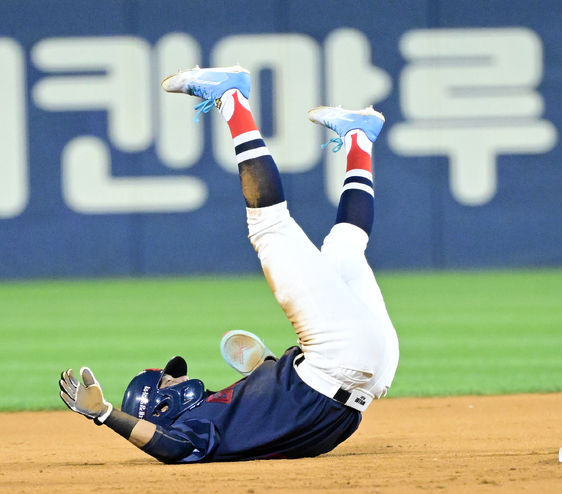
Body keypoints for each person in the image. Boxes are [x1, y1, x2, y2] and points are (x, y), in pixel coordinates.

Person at [59, 65, 400, 463]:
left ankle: (360, 137)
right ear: (160, 406)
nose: (180, 377)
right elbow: (174, 450)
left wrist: (272, 369)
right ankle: (230, 97)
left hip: (362, 381)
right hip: (338, 366)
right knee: (268, 225)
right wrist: (104, 414)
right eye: (170, 379)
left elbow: (285, 421)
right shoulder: (191, 427)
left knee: (344, 249)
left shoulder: (221, 415)